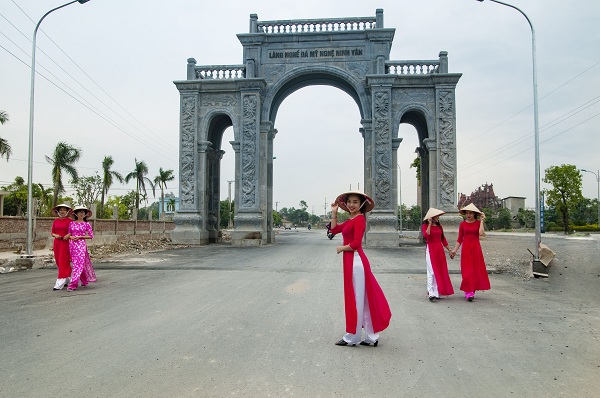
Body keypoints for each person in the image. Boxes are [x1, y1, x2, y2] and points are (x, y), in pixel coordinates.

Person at [330, 191, 391, 347]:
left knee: (356, 300)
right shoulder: (351, 220)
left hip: (356, 262)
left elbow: (356, 243)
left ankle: (353, 336)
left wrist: (342, 248)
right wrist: (334, 213)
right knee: (362, 299)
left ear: (362, 204)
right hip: (351, 262)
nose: (351, 204)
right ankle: (371, 337)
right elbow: (334, 229)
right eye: (349, 201)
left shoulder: (359, 220)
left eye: (355, 202)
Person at [450, 203, 490, 301]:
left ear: (474, 214)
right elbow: (459, 239)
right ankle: (468, 291)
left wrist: (482, 221)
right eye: (467, 213)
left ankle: (471, 291)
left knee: (475, 271)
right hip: (466, 250)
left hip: (476, 249)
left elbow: (481, 233)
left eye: (471, 213)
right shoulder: (462, 224)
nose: (468, 215)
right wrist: (454, 251)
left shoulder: (477, 223)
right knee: (467, 271)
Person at [422, 207, 454, 301]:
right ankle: (431, 292)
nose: (438, 217)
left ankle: (436, 292)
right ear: (431, 217)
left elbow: (443, 239)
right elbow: (426, 236)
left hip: (439, 250)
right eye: (436, 216)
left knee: (438, 271)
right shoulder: (425, 226)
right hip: (431, 249)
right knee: (431, 271)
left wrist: (449, 250)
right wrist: (429, 224)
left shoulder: (440, 227)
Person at [66, 205, 97, 292]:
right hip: (72, 245)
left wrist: (80, 237)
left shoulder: (86, 224)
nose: (81, 214)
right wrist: (71, 237)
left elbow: (91, 236)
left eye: (83, 212)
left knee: (77, 265)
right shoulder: (71, 223)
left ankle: (73, 285)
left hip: (81, 245)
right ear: (75, 213)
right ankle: (84, 280)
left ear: (85, 214)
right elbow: (69, 234)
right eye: (79, 212)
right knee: (78, 264)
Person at [50, 203, 72, 290]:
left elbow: (73, 231)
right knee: (59, 261)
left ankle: (59, 283)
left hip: (66, 243)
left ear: (67, 212)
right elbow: (52, 232)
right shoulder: (55, 221)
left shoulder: (70, 221)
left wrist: (68, 235)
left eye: (64, 210)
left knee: (64, 261)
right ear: (58, 212)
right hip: (57, 243)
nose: (62, 212)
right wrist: (55, 235)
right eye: (61, 210)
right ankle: (67, 279)